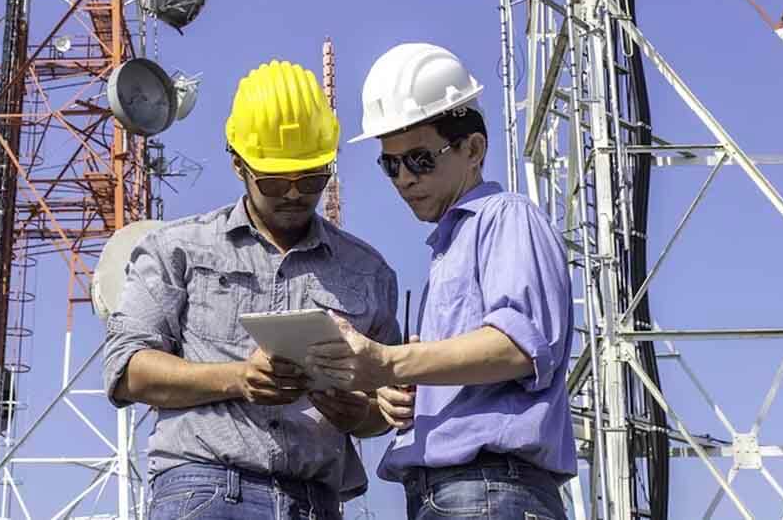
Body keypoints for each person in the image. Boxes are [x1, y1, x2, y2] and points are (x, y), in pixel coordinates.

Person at [103, 59, 401, 520]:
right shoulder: (177, 248)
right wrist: (239, 378)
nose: (295, 194)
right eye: (275, 181)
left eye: (312, 179)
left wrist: (357, 415)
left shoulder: (369, 272)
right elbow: (128, 371)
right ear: (238, 164)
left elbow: (386, 404)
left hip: (315, 502)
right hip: (204, 488)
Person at [306, 43, 575, 520]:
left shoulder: (506, 217)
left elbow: (518, 347)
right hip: (454, 494)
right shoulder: (452, 246)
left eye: (421, 160)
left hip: (490, 489)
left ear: (473, 149)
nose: (404, 178)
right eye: (391, 165)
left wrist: (390, 363)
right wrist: (403, 395)